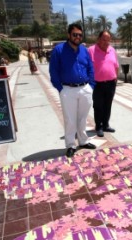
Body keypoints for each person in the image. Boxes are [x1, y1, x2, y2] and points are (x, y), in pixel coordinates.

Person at [49, 23, 96, 157]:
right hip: (68, 89)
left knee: (83, 118)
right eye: (75, 34)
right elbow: (53, 71)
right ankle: (70, 144)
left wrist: (91, 86)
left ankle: (83, 141)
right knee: (70, 119)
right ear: (69, 35)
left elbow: (90, 68)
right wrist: (60, 89)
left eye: (80, 35)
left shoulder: (84, 50)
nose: (77, 37)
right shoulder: (59, 50)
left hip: (85, 88)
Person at [88, 31, 119, 137]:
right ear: (98, 39)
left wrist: (116, 79)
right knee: (98, 106)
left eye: (108, 40)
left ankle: (106, 125)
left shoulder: (112, 50)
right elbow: (87, 67)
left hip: (111, 83)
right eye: (104, 39)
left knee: (108, 105)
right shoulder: (91, 50)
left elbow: (116, 66)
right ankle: (99, 126)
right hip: (97, 84)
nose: (106, 42)